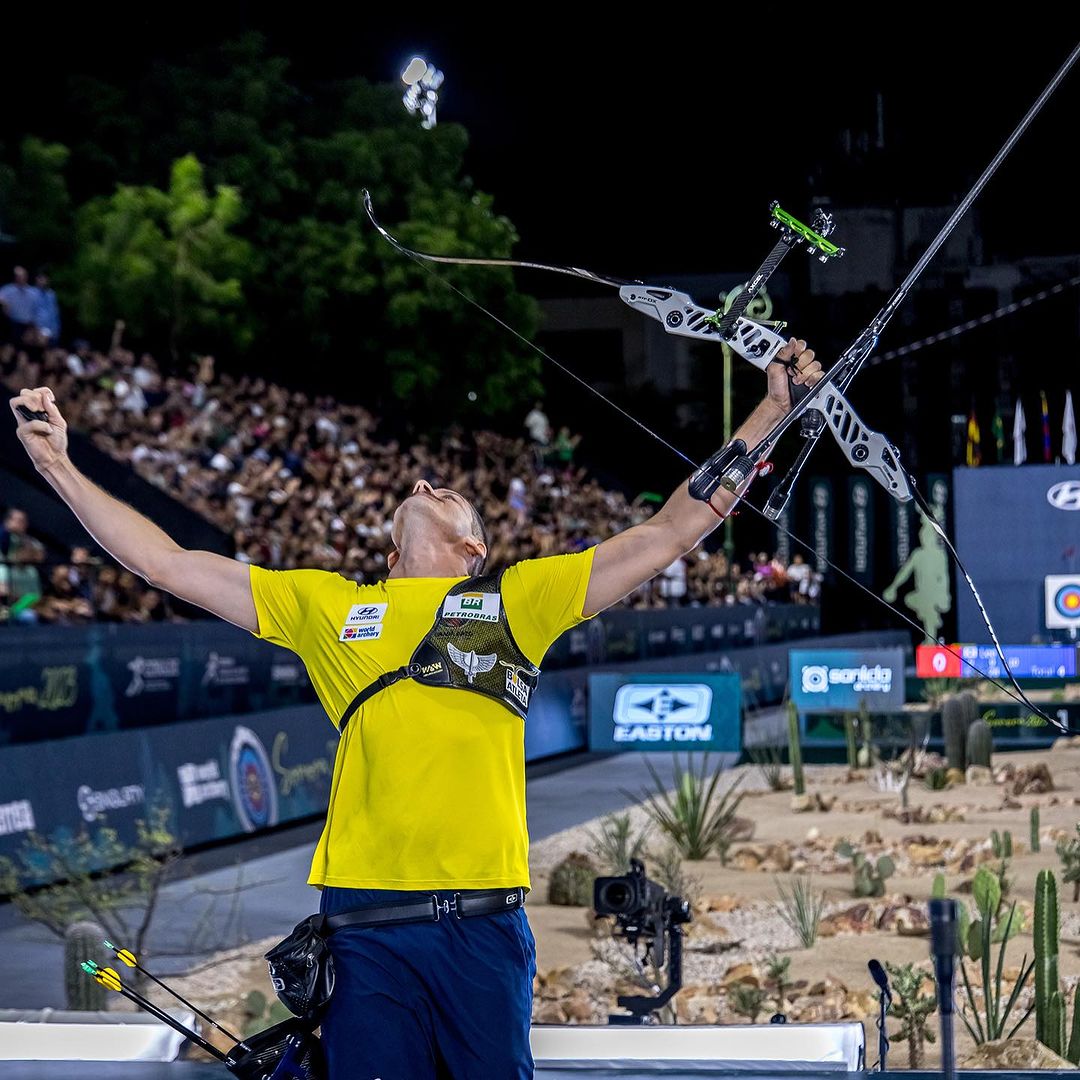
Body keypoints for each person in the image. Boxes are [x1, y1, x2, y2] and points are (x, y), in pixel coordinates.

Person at [9, 336, 822, 1079]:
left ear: (474, 548)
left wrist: (773, 409)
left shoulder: (515, 599)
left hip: (484, 926)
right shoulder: (327, 606)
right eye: (423, 486)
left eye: (450, 492)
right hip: (364, 934)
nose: (426, 480)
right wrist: (58, 469)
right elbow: (165, 562)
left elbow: (667, 532)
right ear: (392, 554)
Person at [0, 266, 38, 345]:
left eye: (23, 275)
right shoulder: (7, 289)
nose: (21, 278)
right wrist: (4, 304)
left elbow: (37, 310)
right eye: (18, 276)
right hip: (12, 324)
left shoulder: (33, 292)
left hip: (29, 325)